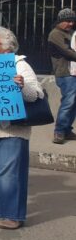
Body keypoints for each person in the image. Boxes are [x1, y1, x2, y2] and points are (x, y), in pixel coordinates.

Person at [0, 27, 43, 230]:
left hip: (12, 129)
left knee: (8, 173)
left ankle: (12, 214)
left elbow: (36, 94)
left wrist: (22, 86)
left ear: (7, 48)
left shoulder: (20, 65)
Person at [47, 8, 76, 144]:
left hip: (73, 72)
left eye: (72, 21)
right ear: (60, 21)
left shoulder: (70, 33)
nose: (71, 24)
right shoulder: (56, 34)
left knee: (73, 104)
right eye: (68, 21)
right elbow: (68, 53)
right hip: (65, 73)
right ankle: (59, 132)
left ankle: (67, 130)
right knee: (68, 103)